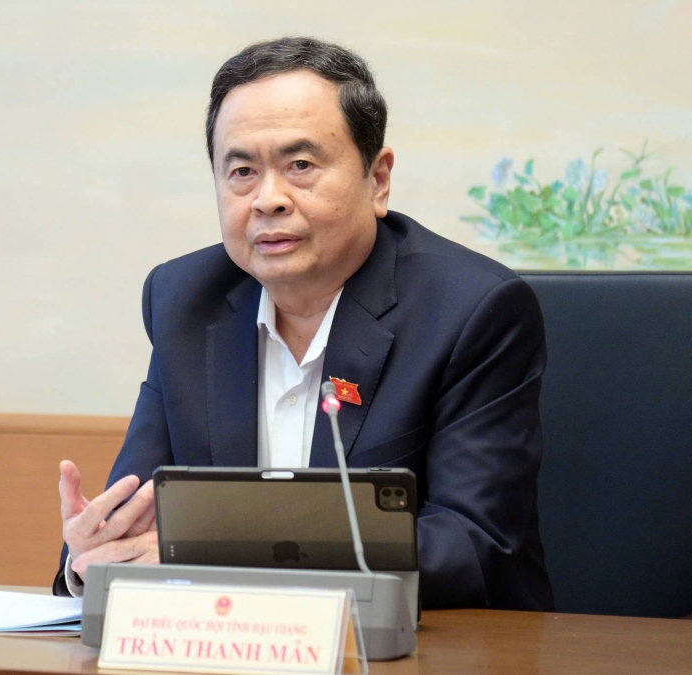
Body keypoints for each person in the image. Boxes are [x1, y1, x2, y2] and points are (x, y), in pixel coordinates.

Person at [53, 36, 554, 611]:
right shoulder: (185, 302)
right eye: (242, 171)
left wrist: (231, 558)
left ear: (378, 179)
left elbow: (473, 544)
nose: (268, 199)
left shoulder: (470, 310)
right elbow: (136, 517)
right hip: (232, 643)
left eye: (300, 166)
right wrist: (92, 558)